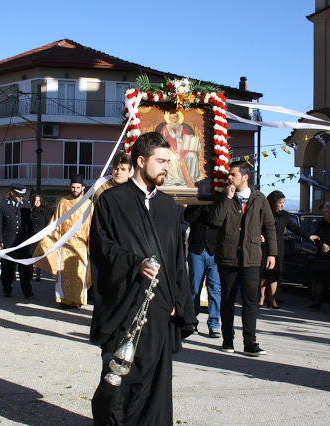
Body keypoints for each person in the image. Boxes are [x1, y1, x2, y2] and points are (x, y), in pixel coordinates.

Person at [89, 131, 195, 425]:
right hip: (125, 302)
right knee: (119, 378)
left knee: (153, 379)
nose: (167, 167)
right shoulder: (111, 200)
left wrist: (177, 300)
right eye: (161, 161)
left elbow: (176, 258)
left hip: (160, 306)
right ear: (140, 160)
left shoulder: (168, 206)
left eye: (168, 162)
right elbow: (101, 248)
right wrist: (135, 264)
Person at [210, 160, 277, 356]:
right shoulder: (224, 197)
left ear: (245, 177)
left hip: (251, 257)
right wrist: (227, 199)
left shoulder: (259, 198)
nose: (229, 177)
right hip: (228, 257)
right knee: (227, 299)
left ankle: (250, 342)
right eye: (229, 174)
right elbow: (214, 221)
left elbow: (270, 227)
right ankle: (227, 340)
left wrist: (272, 253)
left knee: (250, 300)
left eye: (233, 174)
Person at [33, 174, 92, 307]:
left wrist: (91, 246)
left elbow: (91, 226)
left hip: (80, 247)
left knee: (79, 274)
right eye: (73, 187)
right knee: (63, 274)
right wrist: (50, 241)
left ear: (83, 188)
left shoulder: (88, 204)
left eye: (78, 187)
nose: (75, 190)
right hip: (64, 245)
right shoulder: (63, 202)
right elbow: (56, 223)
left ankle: (78, 300)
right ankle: (63, 300)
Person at [259, 190, 319, 309]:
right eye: (280, 202)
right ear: (273, 202)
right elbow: (255, 226)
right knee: (264, 273)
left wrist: (308, 236)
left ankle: (272, 299)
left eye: (283, 202)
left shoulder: (284, 215)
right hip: (265, 246)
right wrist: (258, 235)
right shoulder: (263, 213)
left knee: (276, 274)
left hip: (278, 246)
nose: (282, 205)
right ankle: (261, 298)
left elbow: (294, 227)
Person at [184, 203, 221, 337]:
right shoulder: (195, 203)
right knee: (194, 288)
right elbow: (188, 217)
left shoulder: (218, 203)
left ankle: (214, 324)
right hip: (196, 249)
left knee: (215, 289)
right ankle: (192, 321)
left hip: (214, 251)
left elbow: (216, 221)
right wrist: (200, 204)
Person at [0, 183, 34, 299]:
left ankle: (27, 290)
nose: (20, 198)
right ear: (12, 192)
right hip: (8, 241)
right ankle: (7, 289)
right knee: (7, 268)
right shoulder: (2, 205)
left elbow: (29, 225)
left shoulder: (26, 205)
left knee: (25, 269)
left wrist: (30, 239)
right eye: (18, 195)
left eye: (22, 195)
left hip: (22, 242)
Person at [157, 111, 200, 186]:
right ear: (169, 119)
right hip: (169, 149)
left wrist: (190, 138)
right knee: (173, 158)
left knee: (192, 155)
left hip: (182, 150)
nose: (174, 119)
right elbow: (161, 141)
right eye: (172, 118)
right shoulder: (165, 128)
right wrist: (163, 136)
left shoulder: (181, 128)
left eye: (176, 118)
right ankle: (174, 180)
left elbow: (186, 139)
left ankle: (192, 178)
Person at [30, 194, 52, 282]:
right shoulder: (30, 211)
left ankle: (38, 274)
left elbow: (48, 224)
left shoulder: (45, 211)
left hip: (41, 236)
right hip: (31, 235)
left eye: (39, 200)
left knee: (39, 256)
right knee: (30, 255)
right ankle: (30, 273)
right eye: (35, 200)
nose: (37, 202)